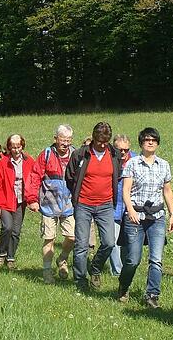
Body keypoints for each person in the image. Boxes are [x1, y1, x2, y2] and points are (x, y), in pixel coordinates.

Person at [117, 128, 173, 308]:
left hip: (157, 216)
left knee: (156, 259)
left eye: (154, 140)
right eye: (147, 140)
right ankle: (123, 286)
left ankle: (152, 295)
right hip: (135, 216)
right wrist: (130, 210)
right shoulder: (132, 164)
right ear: (141, 143)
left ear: (158, 143)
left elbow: (167, 190)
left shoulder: (164, 165)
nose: (150, 142)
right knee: (133, 259)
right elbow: (126, 190)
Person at [65, 122, 122, 292]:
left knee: (109, 242)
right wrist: (78, 196)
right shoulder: (80, 154)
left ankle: (95, 268)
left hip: (105, 205)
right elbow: (70, 177)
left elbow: (117, 177)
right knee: (81, 245)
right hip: (83, 204)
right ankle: (80, 280)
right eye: (99, 142)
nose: (103, 145)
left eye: (106, 142)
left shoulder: (114, 154)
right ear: (93, 138)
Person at [25, 124, 76, 284]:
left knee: (72, 237)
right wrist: (32, 199)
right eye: (62, 140)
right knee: (49, 239)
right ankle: (47, 271)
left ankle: (62, 259)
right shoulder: (46, 154)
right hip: (48, 205)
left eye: (68, 140)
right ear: (55, 139)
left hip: (69, 205)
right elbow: (34, 176)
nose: (65, 144)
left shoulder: (75, 154)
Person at [0, 134, 34, 269]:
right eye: (13, 147)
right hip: (5, 200)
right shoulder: (3, 163)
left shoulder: (29, 161)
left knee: (16, 231)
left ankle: (11, 257)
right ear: (9, 147)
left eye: (18, 147)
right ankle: (1, 253)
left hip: (20, 201)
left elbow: (34, 180)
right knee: (7, 227)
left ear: (22, 146)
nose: (16, 150)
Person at [110, 134, 136, 276]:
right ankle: (117, 271)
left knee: (127, 242)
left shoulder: (136, 160)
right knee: (112, 241)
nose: (123, 153)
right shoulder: (109, 161)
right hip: (112, 207)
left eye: (126, 150)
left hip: (130, 208)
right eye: (120, 149)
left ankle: (127, 269)